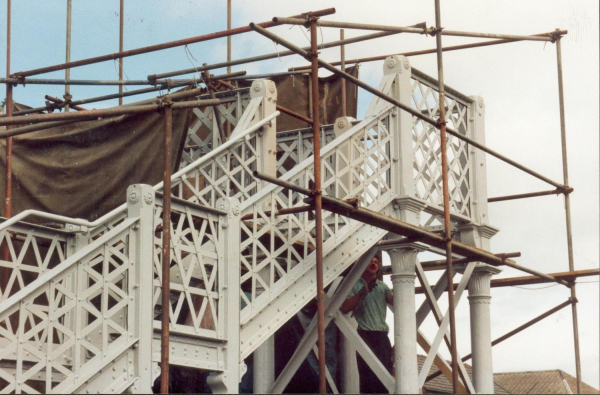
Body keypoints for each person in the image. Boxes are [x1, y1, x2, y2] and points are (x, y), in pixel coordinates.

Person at [340, 255, 393, 394]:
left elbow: (396, 301)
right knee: (367, 376)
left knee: (385, 374)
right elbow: (345, 308)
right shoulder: (354, 285)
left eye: (376, 262)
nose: (374, 264)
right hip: (366, 335)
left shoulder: (382, 286)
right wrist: (364, 290)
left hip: (382, 336)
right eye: (370, 261)